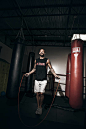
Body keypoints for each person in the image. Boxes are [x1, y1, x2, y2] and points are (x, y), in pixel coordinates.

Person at [24, 48, 60, 115]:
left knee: (41, 93)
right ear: (39, 53)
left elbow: (51, 68)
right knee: (37, 94)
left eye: (42, 51)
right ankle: (38, 107)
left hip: (44, 80)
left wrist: (55, 75)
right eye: (40, 51)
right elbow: (34, 69)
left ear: (44, 53)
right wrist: (29, 73)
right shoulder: (36, 60)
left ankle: (40, 107)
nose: (41, 52)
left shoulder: (47, 60)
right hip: (37, 79)